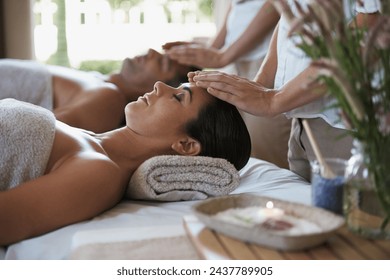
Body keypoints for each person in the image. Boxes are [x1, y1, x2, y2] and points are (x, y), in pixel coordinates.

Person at [0, 81, 251, 246]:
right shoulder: (88, 138)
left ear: (185, 146)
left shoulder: (99, 172)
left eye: (177, 97)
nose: (159, 85)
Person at [187, 0, 381, 181]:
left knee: (353, 214)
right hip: (302, 119)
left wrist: (274, 100)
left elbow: (371, 25)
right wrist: (263, 82)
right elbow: (287, 19)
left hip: (344, 123)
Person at [163, 0, 291, 169]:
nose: (158, 87)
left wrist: (223, 56)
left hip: (268, 60)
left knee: (270, 157)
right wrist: (213, 48)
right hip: (244, 61)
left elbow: (276, 5)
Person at [0, 48, 199, 133]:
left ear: (160, 89)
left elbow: (29, 131)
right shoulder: (99, 81)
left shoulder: (108, 98)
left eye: (164, 62)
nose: (152, 52)